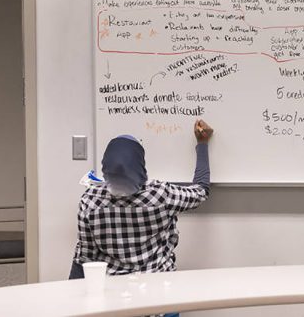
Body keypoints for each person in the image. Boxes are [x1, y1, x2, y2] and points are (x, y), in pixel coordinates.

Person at [69, 119, 213, 279]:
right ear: (140, 164)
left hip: (112, 291)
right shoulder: (160, 194)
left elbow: (84, 258)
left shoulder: (89, 201)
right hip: (159, 286)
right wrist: (202, 143)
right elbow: (201, 191)